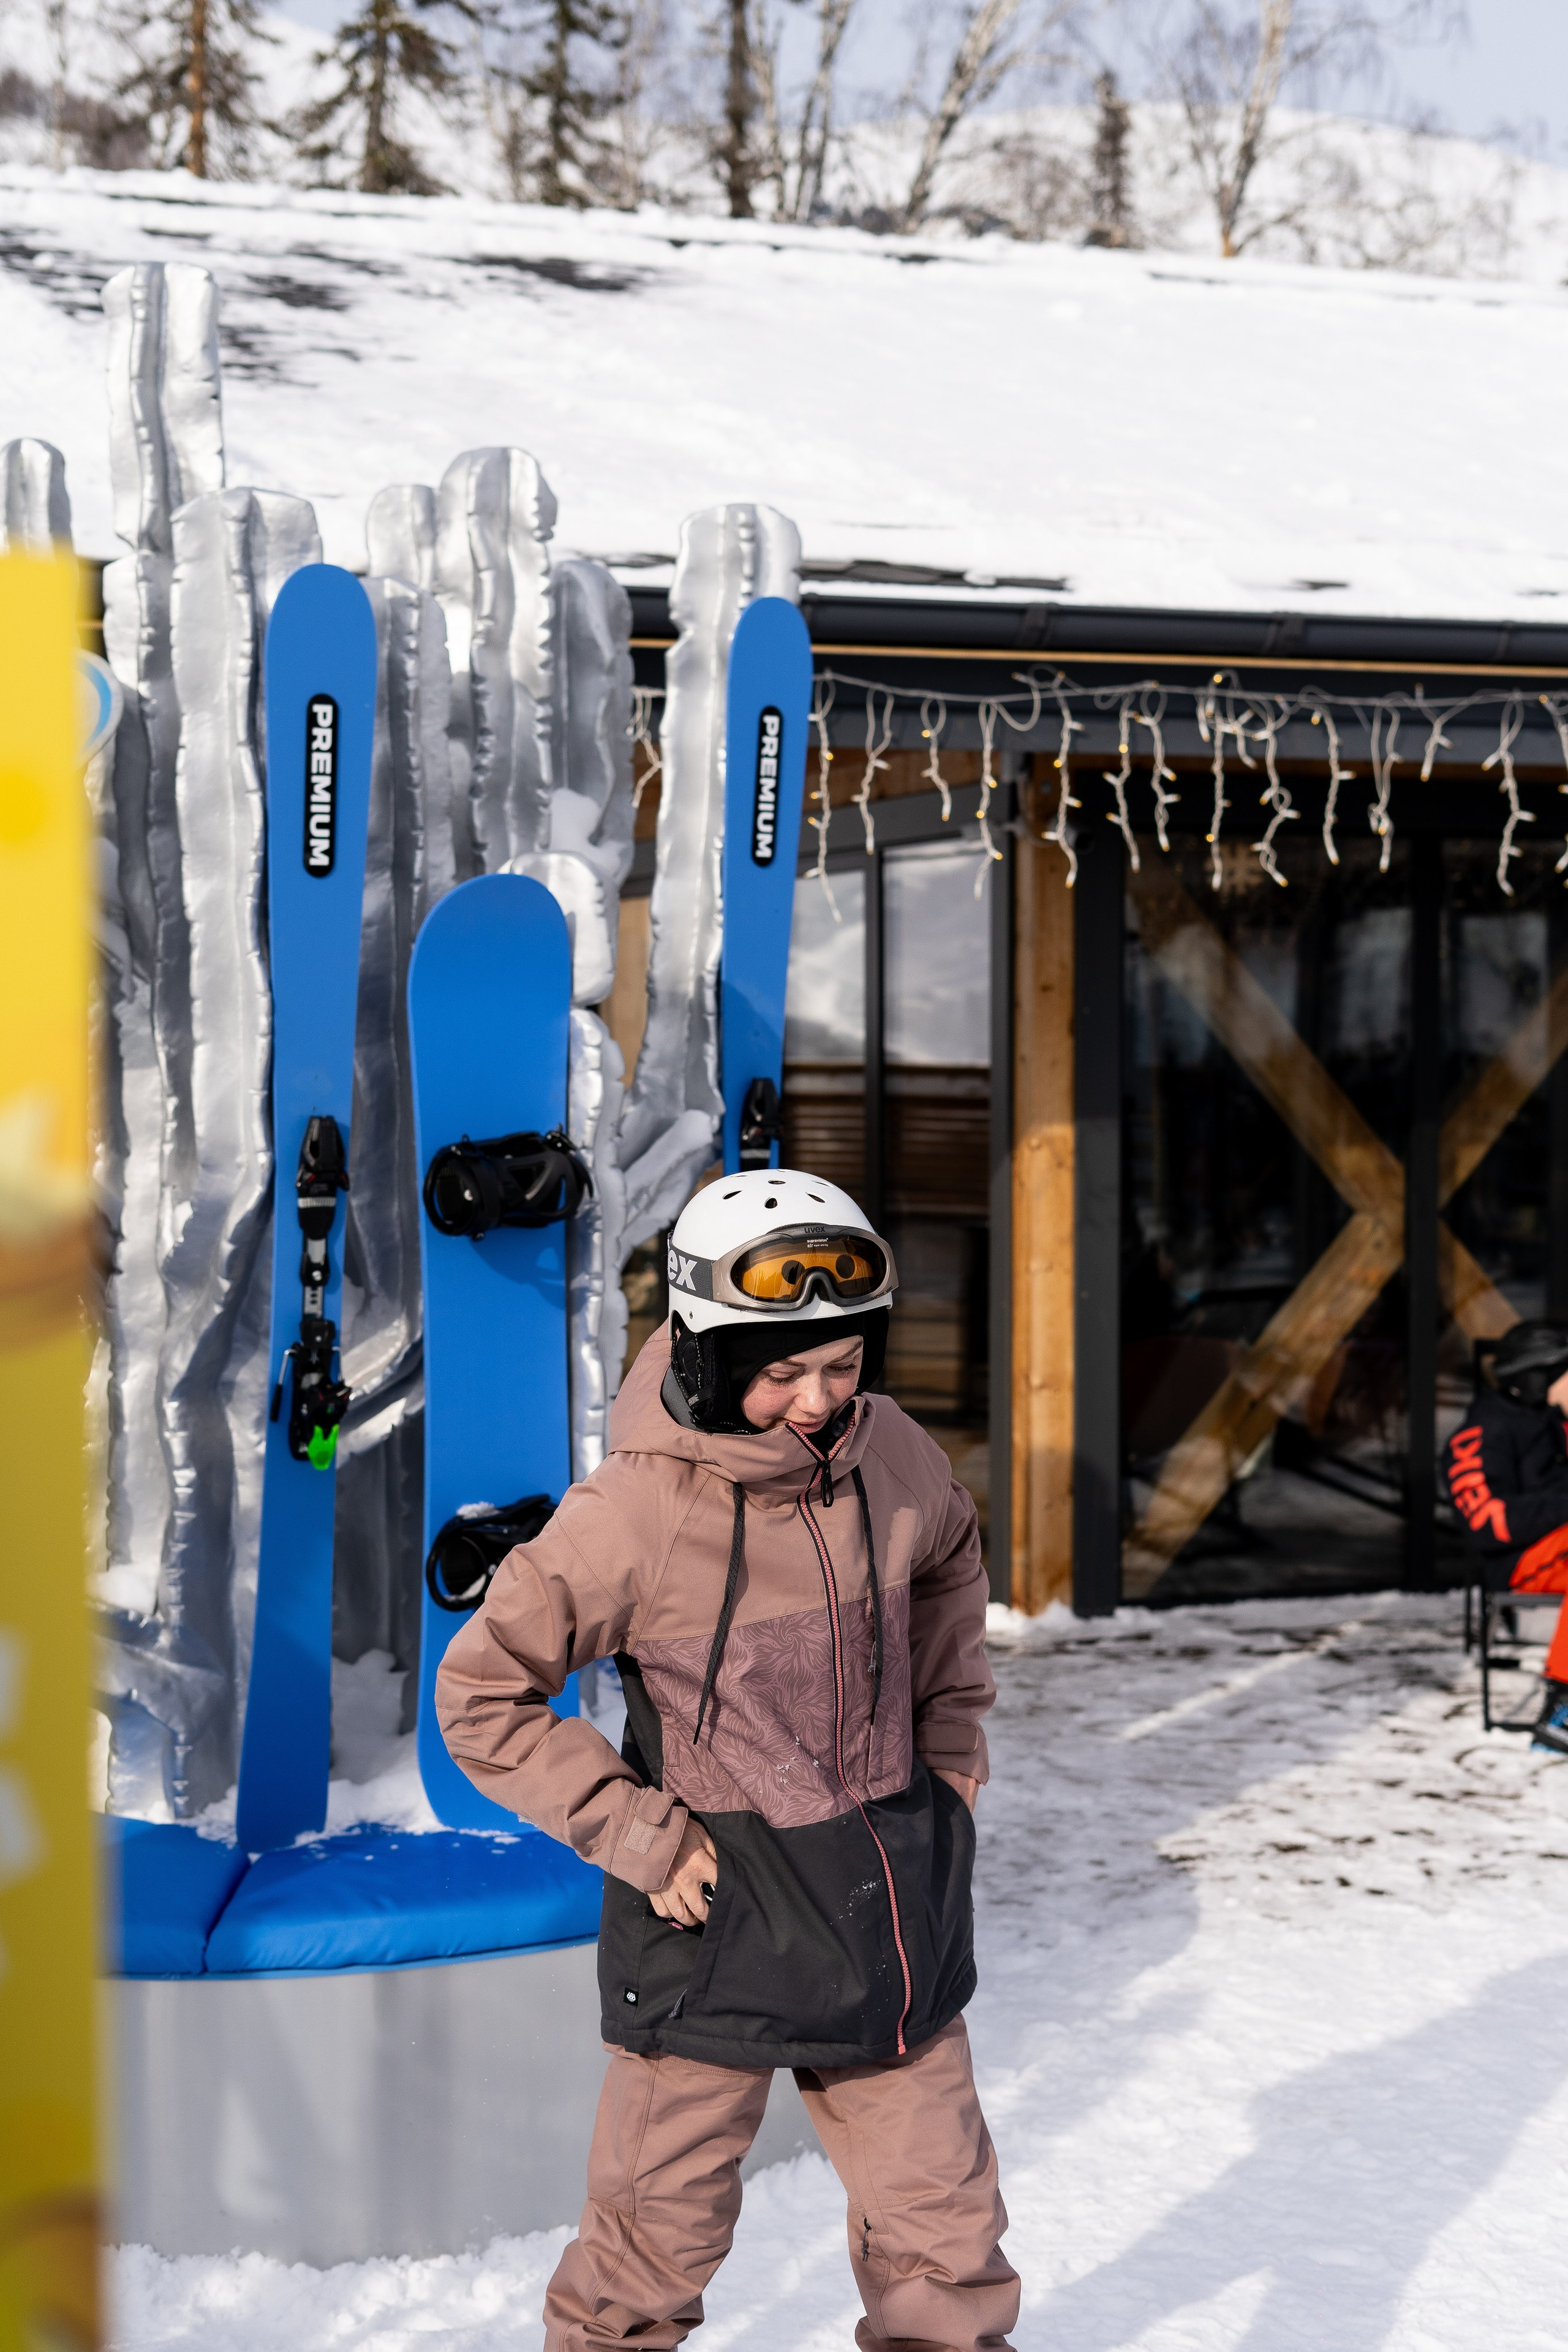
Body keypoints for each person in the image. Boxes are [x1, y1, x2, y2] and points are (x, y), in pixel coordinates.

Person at [435, 1168, 1017, 2352]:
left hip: (888, 1918)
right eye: (782, 1371)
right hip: (715, 1928)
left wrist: (949, 1750)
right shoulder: (633, 1515)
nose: (817, 1400)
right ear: (703, 1356)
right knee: (650, 2251)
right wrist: (636, 1834)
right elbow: (481, 1695)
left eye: (843, 1365)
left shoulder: (892, 1455)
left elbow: (954, 1556)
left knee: (947, 2244)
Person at [1443, 1318, 1568, 1755]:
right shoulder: (1484, 1432)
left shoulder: (1554, 1420)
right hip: (1521, 1565)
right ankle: (1563, 1710)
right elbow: (1486, 1523)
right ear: (1543, 1373)